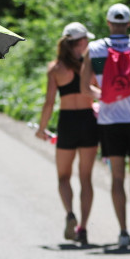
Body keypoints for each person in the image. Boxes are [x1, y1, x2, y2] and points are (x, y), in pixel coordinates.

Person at [86, 4, 130, 246]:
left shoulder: (95, 48)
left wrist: (105, 97)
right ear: (128, 24)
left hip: (109, 121)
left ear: (108, 23)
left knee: (117, 177)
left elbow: (85, 88)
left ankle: (123, 231)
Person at [35, 22, 99, 244]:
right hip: (89, 121)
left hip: (67, 123)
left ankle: (70, 213)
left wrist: (42, 128)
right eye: (86, 40)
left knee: (63, 176)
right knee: (86, 178)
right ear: (80, 43)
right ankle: (82, 228)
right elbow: (99, 92)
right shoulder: (88, 66)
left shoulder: (56, 68)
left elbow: (49, 103)